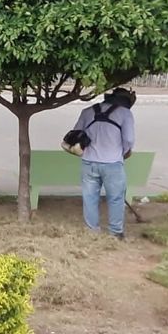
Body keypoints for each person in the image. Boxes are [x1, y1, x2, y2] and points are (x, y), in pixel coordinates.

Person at [71, 87, 137, 239]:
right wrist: (122, 152)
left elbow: (76, 134)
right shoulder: (125, 113)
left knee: (89, 198)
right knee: (116, 198)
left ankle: (91, 231)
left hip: (89, 162)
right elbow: (128, 139)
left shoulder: (87, 111)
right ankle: (115, 232)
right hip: (112, 163)